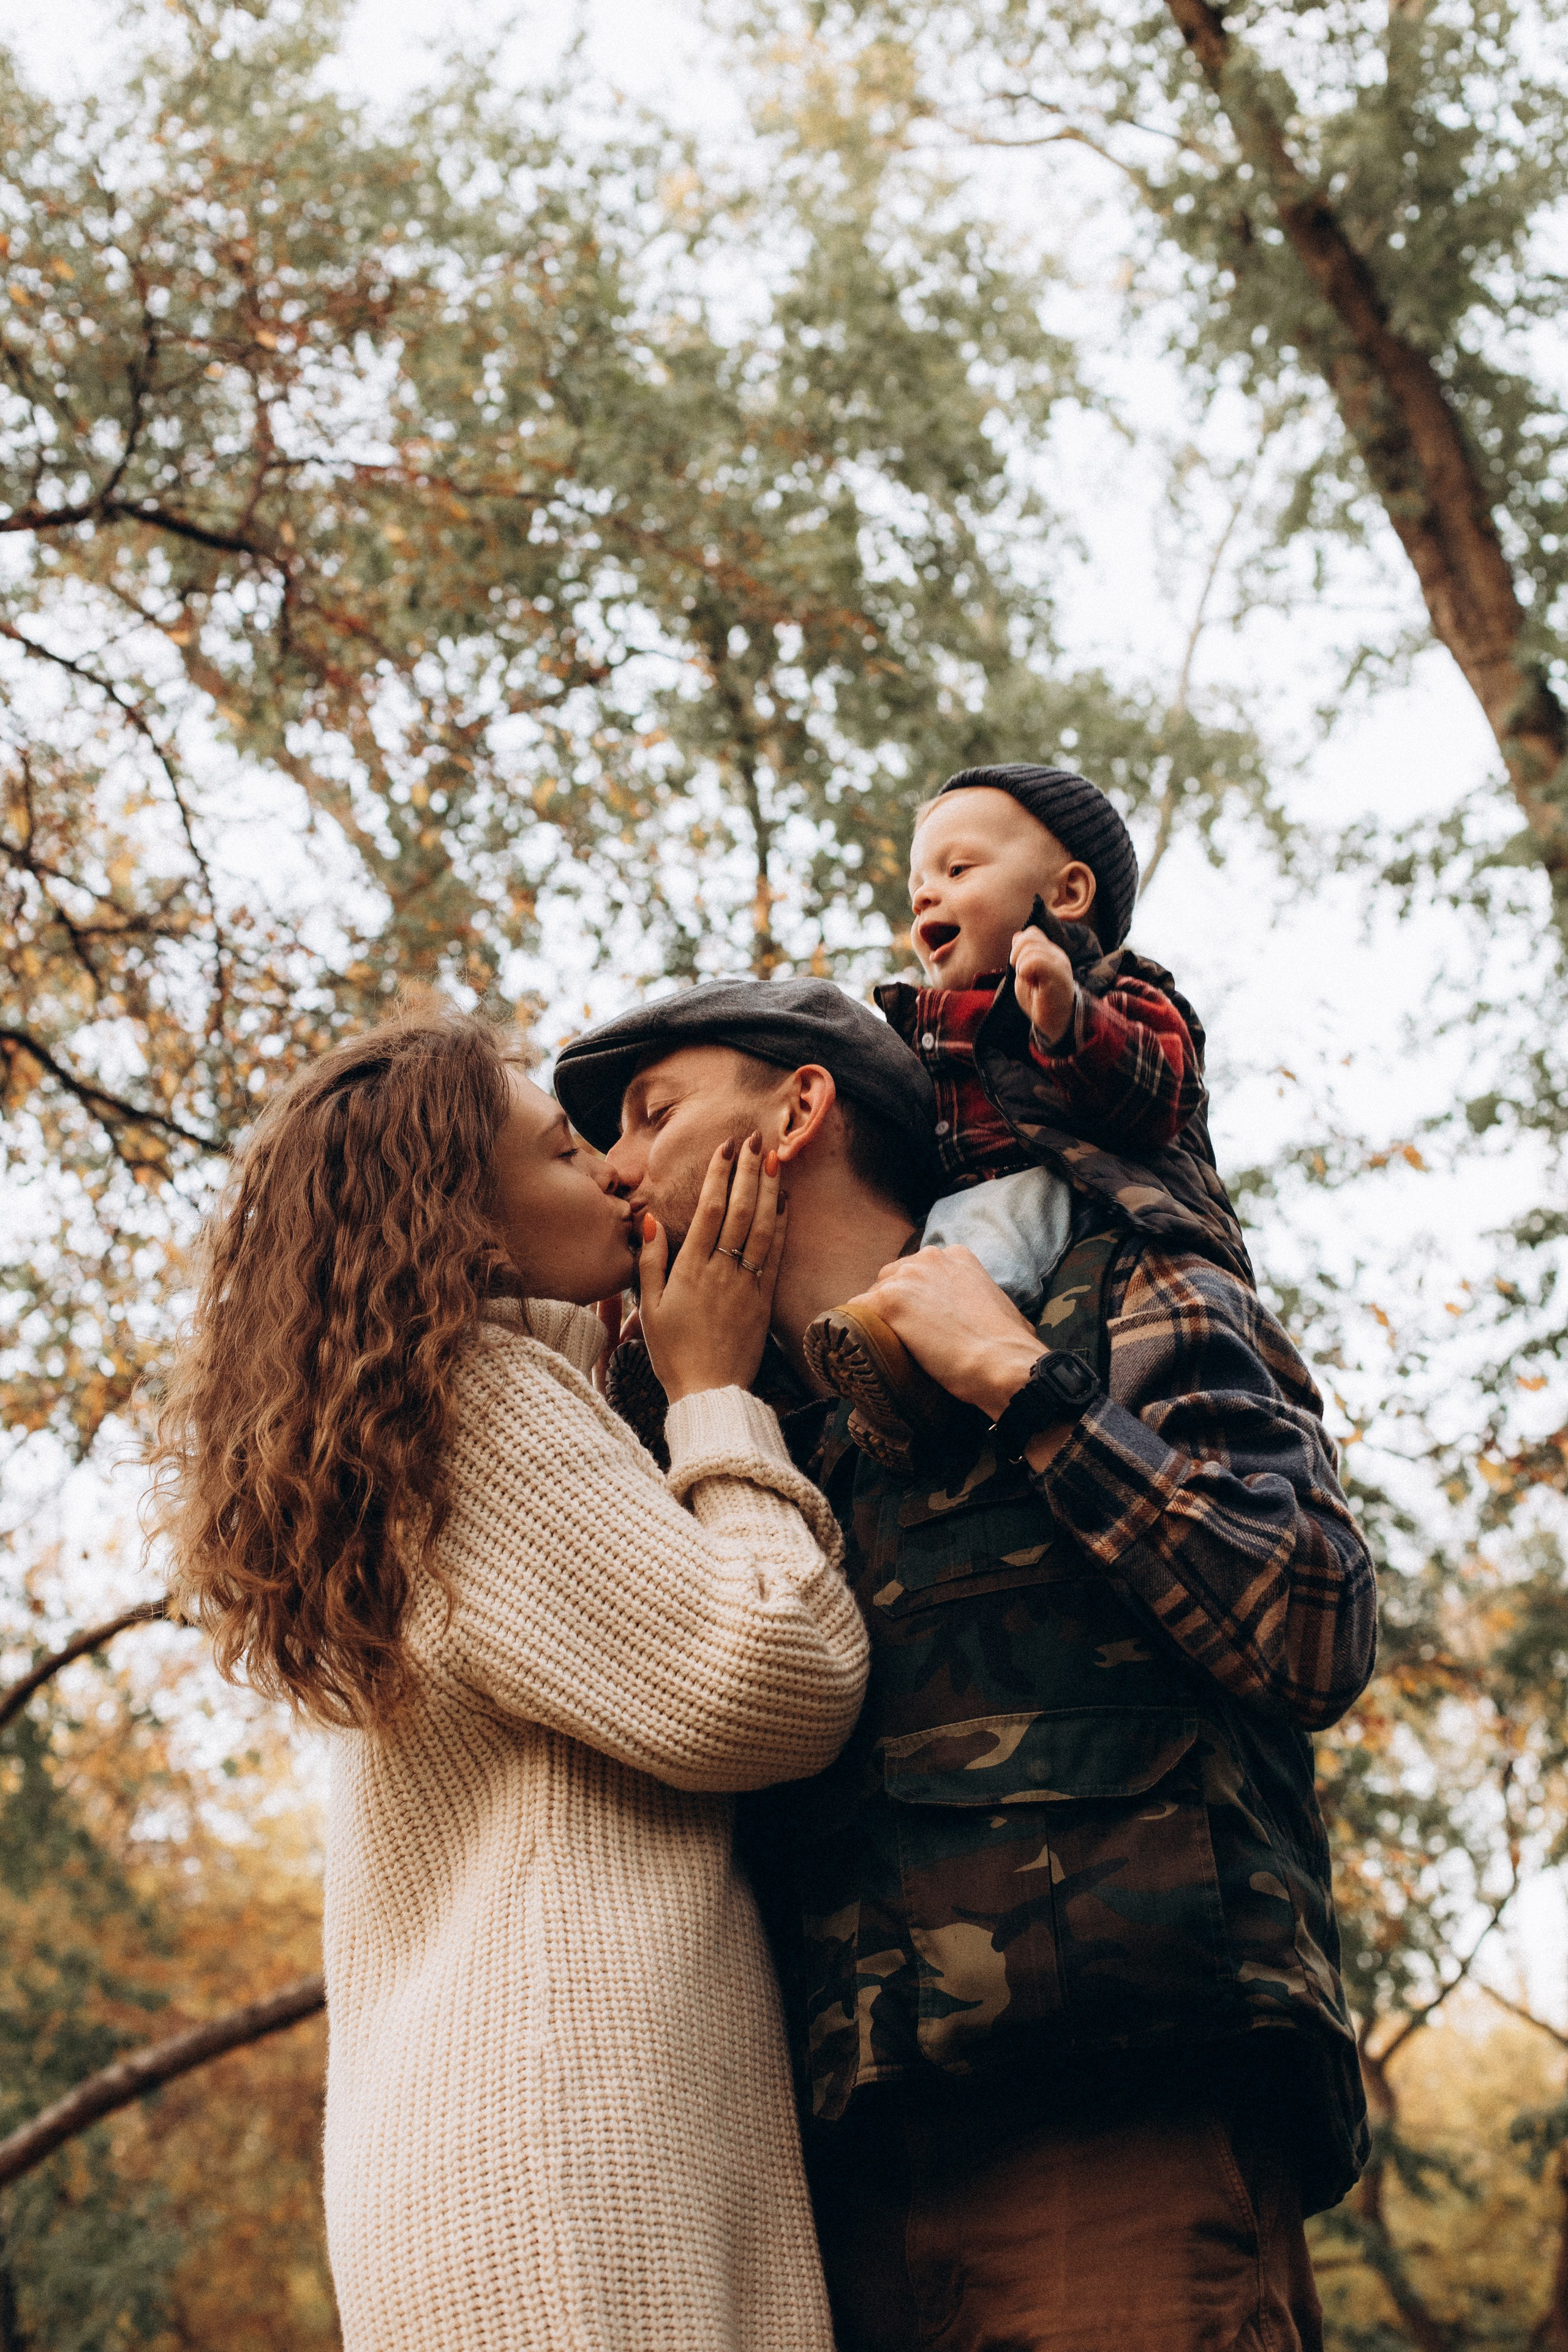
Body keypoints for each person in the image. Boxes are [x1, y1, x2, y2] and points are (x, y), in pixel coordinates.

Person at [554, 976, 1378, 2352]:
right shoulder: (714, 1441)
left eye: (651, 1114)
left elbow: (1311, 1623)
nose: (617, 1170)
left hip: (1118, 2137)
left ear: (797, 1112)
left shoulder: (1110, 1286)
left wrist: (1020, 1382)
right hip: (820, 2198)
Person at [148, 1002, 869, 2352]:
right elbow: (777, 1674)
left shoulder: (409, 1426)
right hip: (565, 2163)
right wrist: (714, 1387)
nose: (610, 1168)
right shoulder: (482, 1409)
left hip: (482, 2161)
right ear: (464, 1221)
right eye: (561, 1151)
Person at [805, 762, 1253, 1472]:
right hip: (961, 1215)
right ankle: (844, 1375)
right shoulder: (921, 1028)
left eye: (957, 870)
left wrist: (1068, 1020)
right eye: (918, 884)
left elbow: (1158, 1091)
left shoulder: (1119, 990)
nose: (926, 893)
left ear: (1067, 892)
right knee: (904, 1242)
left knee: (994, 1216)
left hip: (1095, 1200)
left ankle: (902, 1356)